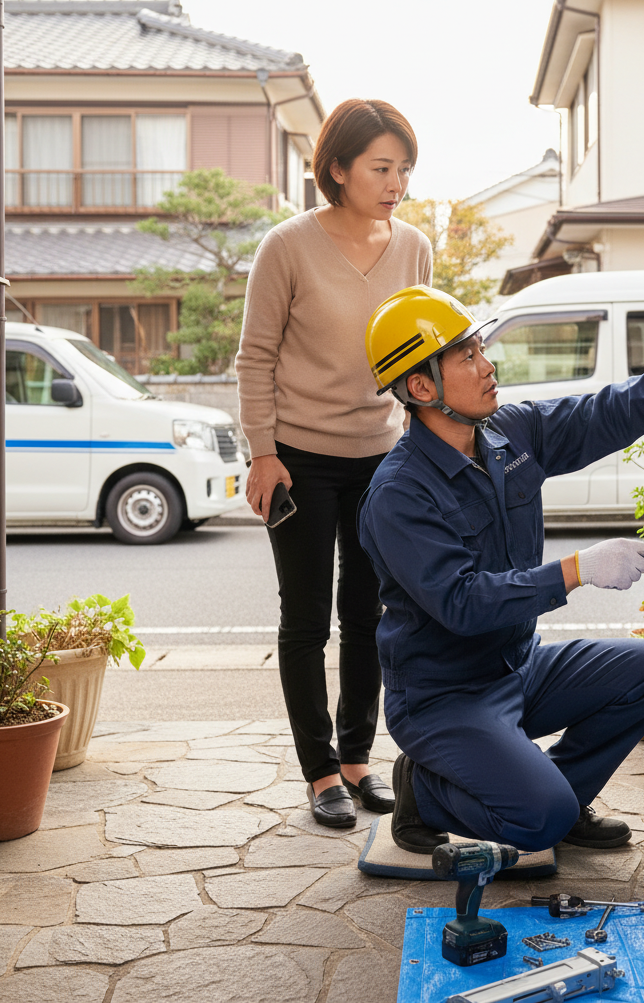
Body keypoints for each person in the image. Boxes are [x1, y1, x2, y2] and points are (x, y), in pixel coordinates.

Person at [357, 285, 644, 853]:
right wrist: (577, 568)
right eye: (466, 357)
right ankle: (425, 791)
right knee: (535, 823)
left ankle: (561, 795)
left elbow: (597, 417)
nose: (488, 366)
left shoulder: (505, 435)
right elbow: (462, 602)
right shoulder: (399, 494)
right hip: (444, 697)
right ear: (422, 387)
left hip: (518, 667)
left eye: (480, 350)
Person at [235, 100, 432, 829]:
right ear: (339, 168)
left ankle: (356, 761)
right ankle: (319, 773)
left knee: (370, 614)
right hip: (299, 459)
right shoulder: (286, 247)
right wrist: (262, 451)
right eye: (382, 168)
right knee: (306, 617)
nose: (395, 183)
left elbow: (417, 355)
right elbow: (254, 356)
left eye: (404, 169)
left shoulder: (413, 246)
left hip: (382, 457)